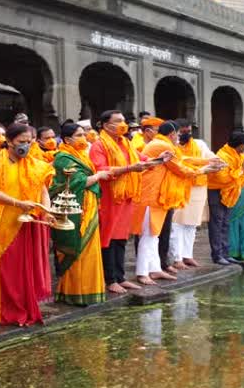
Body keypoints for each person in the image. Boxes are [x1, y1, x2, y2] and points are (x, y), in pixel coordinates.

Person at [0, 123, 55, 326]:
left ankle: (23, 308)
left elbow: (43, 190)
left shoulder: (35, 163)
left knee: (25, 268)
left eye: (29, 141)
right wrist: (18, 203)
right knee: (4, 266)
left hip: (29, 221)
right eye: (21, 142)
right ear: (8, 141)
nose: (25, 145)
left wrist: (47, 210)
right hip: (1, 220)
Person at [133, 121, 213, 283]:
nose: (179, 137)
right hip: (150, 196)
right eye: (178, 134)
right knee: (148, 235)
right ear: (172, 134)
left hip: (156, 196)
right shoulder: (163, 145)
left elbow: (183, 159)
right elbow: (180, 168)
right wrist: (203, 171)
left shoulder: (162, 143)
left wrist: (207, 162)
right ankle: (142, 273)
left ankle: (154, 269)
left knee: (153, 236)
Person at [89, 110, 156, 294]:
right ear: (105, 125)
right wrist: (129, 168)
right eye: (118, 121)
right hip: (109, 197)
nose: (123, 124)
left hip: (125, 196)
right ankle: (110, 279)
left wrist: (156, 160)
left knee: (121, 237)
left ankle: (120, 277)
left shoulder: (125, 142)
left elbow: (140, 158)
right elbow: (101, 169)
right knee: (108, 238)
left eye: (123, 121)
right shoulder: (99, 145)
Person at [50, 123, 112, 305]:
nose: (83, 137)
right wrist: (99, 176)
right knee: (78, 249)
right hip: (74, 210)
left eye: (84, 134)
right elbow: (80, 181)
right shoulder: (63, 158)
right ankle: (74, 292)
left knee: (90, 251)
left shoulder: (80, 155)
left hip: (88, 206)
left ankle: (90, 291)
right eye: (79, 135)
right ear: (67, 139)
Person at [169, 121, 218, 269]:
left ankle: (187, 255)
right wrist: (205, 163)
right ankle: (176, 258)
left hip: (197, 187)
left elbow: (211, 157)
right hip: (179, 187)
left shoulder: (199, 144)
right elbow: (183, 161)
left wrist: (218, 162)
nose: (186, 134)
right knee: (176, 224)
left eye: (188, 131)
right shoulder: (172, 146)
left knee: (191, 224)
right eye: (183, 131)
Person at [207, 131, 244, 265]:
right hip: (217, 191)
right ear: (239, 145)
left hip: (230, 192)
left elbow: (242, 173)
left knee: (225, 223)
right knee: (217, 223)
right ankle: (217, 255)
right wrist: (242, 170)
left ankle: (225, 253)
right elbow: (223, 178)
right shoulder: (223, 155)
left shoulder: (238, 155)